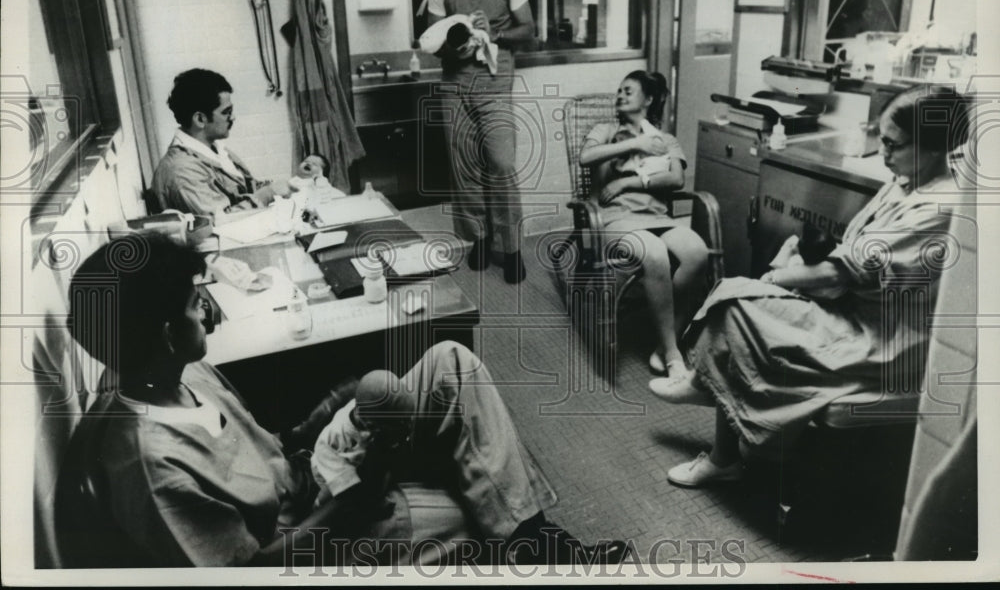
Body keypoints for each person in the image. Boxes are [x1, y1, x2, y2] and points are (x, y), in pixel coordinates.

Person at [64, 233, 626, 567]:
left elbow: (258, 453)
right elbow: (251, 572)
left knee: (450, 361)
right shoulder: (153, 466)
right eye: (194, 303)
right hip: (309, 539)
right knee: (470, 510)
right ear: (164, 333)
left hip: (312, 481)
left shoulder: (179, 373)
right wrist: (355, 501)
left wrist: (318, 418)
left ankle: (543, 545)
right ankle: (543, 550)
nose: (208, 310)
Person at [652, 87, 969, 487]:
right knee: (737, 300)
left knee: (740, 304)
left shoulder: (941, 206)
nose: (884, 153)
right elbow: (854, 256)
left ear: (932, 145)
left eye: (894, 144)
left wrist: (780, 277)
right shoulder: (906, 180)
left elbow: (842, 273)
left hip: (882, 343)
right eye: (882, 141)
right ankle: (709, 395)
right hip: (856, 312)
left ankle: (715, 422)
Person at [425, 0, 536, 284]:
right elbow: (432, 41)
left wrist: (497, 35)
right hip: (456, 85)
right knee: (465, 167)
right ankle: (480, 240)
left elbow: (529, 30)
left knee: (502, 165)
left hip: (494, 84)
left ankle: (512, 246)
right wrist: (455, 42)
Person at [578, 70, 709, 377]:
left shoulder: (665, 139)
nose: (620, 95)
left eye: (629, 91)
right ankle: (674, 355)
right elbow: (586, 157)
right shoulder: (605, 129)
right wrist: (635, 144)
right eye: (619, 90)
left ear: (648, 100)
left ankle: (666, 342)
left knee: (697, 253)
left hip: (657, 216)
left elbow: (675, 178)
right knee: (653, 252)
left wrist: (630, 182)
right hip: (614, 218)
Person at [152, 68, 290, 217]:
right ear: (200, 119)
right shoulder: (181, 171)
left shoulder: (216, 150)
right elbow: (220, 222)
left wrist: (288, 186)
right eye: (226, 112)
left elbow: (250, 187)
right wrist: (268, 194)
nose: (233, 117)